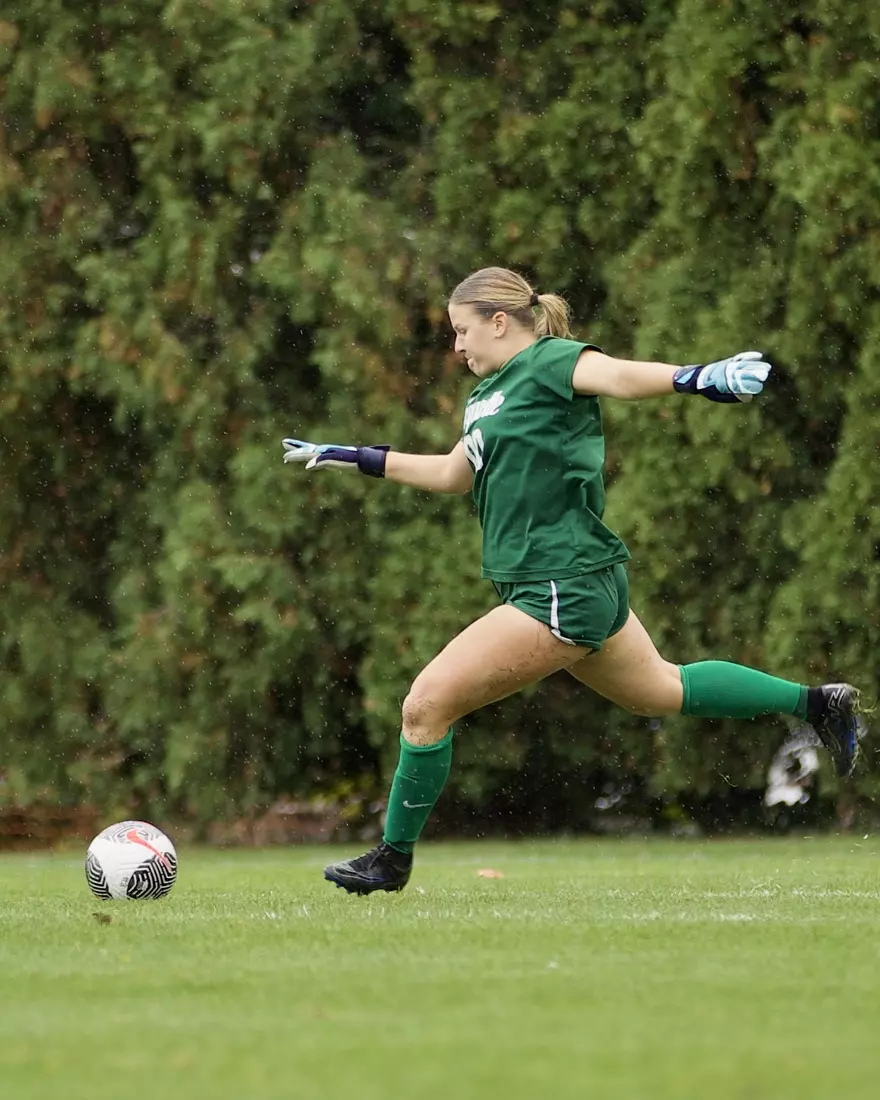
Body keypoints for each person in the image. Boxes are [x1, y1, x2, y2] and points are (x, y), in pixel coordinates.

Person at [282, 265, 861, 896]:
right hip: (575, 582)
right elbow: (454, 474)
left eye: (461, 330)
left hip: (561, 585)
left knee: (425, 705)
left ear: (499, 322)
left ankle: (391, 860)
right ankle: (817, 703)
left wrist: (698, 378)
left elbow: (614, 374)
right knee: (662, 690)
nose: (457, 346)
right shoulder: (487, 395)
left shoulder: (551, 361)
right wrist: (350, 455)